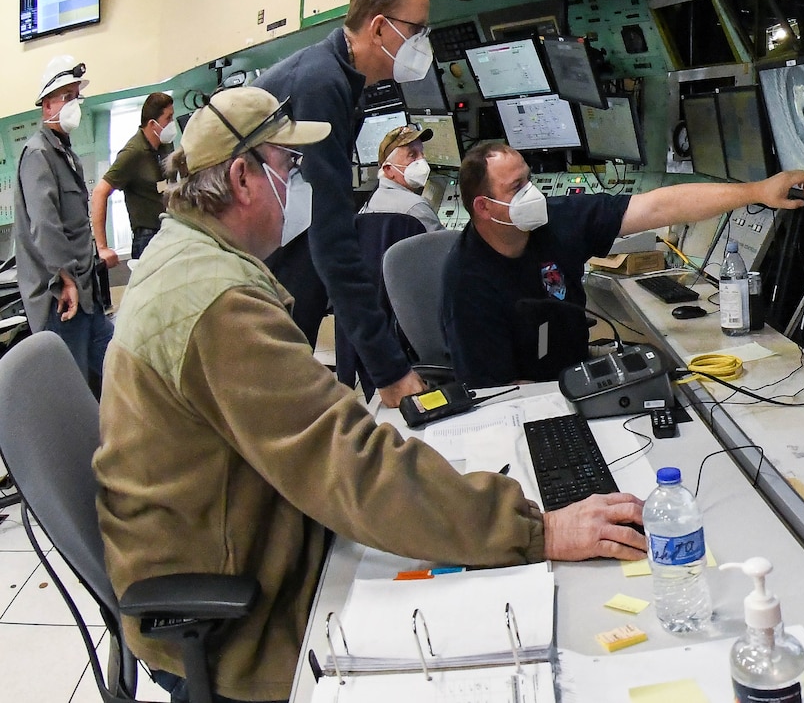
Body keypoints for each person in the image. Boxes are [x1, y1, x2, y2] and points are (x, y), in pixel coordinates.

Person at [95, 87, 645, 703]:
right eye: (289, 167)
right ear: (244, 178)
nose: (299, 183)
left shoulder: (190, 259)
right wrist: (532, 531)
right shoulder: (214, 300)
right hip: (238, 603)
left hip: (247, 529)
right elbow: (344, 462)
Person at [445, 142, 804, 387]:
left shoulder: (557, 220)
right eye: (516, 187)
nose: (532, 193)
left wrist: (757, 191)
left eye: (529, 179)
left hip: (576, 369)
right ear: (484, 207)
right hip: (533, 397)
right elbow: (494, 392)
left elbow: (657, 207)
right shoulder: (467, 280)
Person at [258, 0, 435, 410]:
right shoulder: (322, 83)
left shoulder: (337, 76)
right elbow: (331, 236)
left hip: (280, 242)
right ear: (379, 28)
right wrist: (390, 372)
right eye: (417, 30)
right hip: (253, 253)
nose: (422, 43)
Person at [13, 55, 111, 387]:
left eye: (75, 97)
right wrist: (65, 279)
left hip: (87, 295)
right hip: (62, 301)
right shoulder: (39, 155)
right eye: (66, 97)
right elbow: (46, 226)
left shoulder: (64, 154)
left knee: (117, 374)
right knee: (74, 391)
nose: (74, 105)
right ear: (46, 106)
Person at [335, 124, 440, 389]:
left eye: (421, 153)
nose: (421, 162)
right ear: (388, 169)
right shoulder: (415, 208)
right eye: (412, 156)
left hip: (384, 322)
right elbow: (447, 262)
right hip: (416, 322)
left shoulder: (368, 207)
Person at [90, 91, 178, 266]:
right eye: (168, 118)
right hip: (148, 238)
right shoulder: (133, 152)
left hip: (171, 229)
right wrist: (102, 247)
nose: (172, 123)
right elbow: (100, 192)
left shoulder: (165, 145)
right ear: (153, 124)